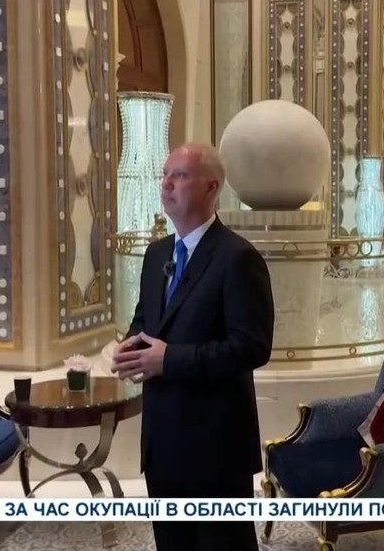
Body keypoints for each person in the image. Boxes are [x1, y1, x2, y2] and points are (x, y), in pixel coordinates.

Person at [111, 143, 274, 551]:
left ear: (211, 187)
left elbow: (252, 347)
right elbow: (146, 320)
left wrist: (170, 359)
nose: (166, 184)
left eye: (179, 176)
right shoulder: (156, 255)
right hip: (162, 444)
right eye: (164, 175)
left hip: (216, 447)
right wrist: (131, 348)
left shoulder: (238, 258)